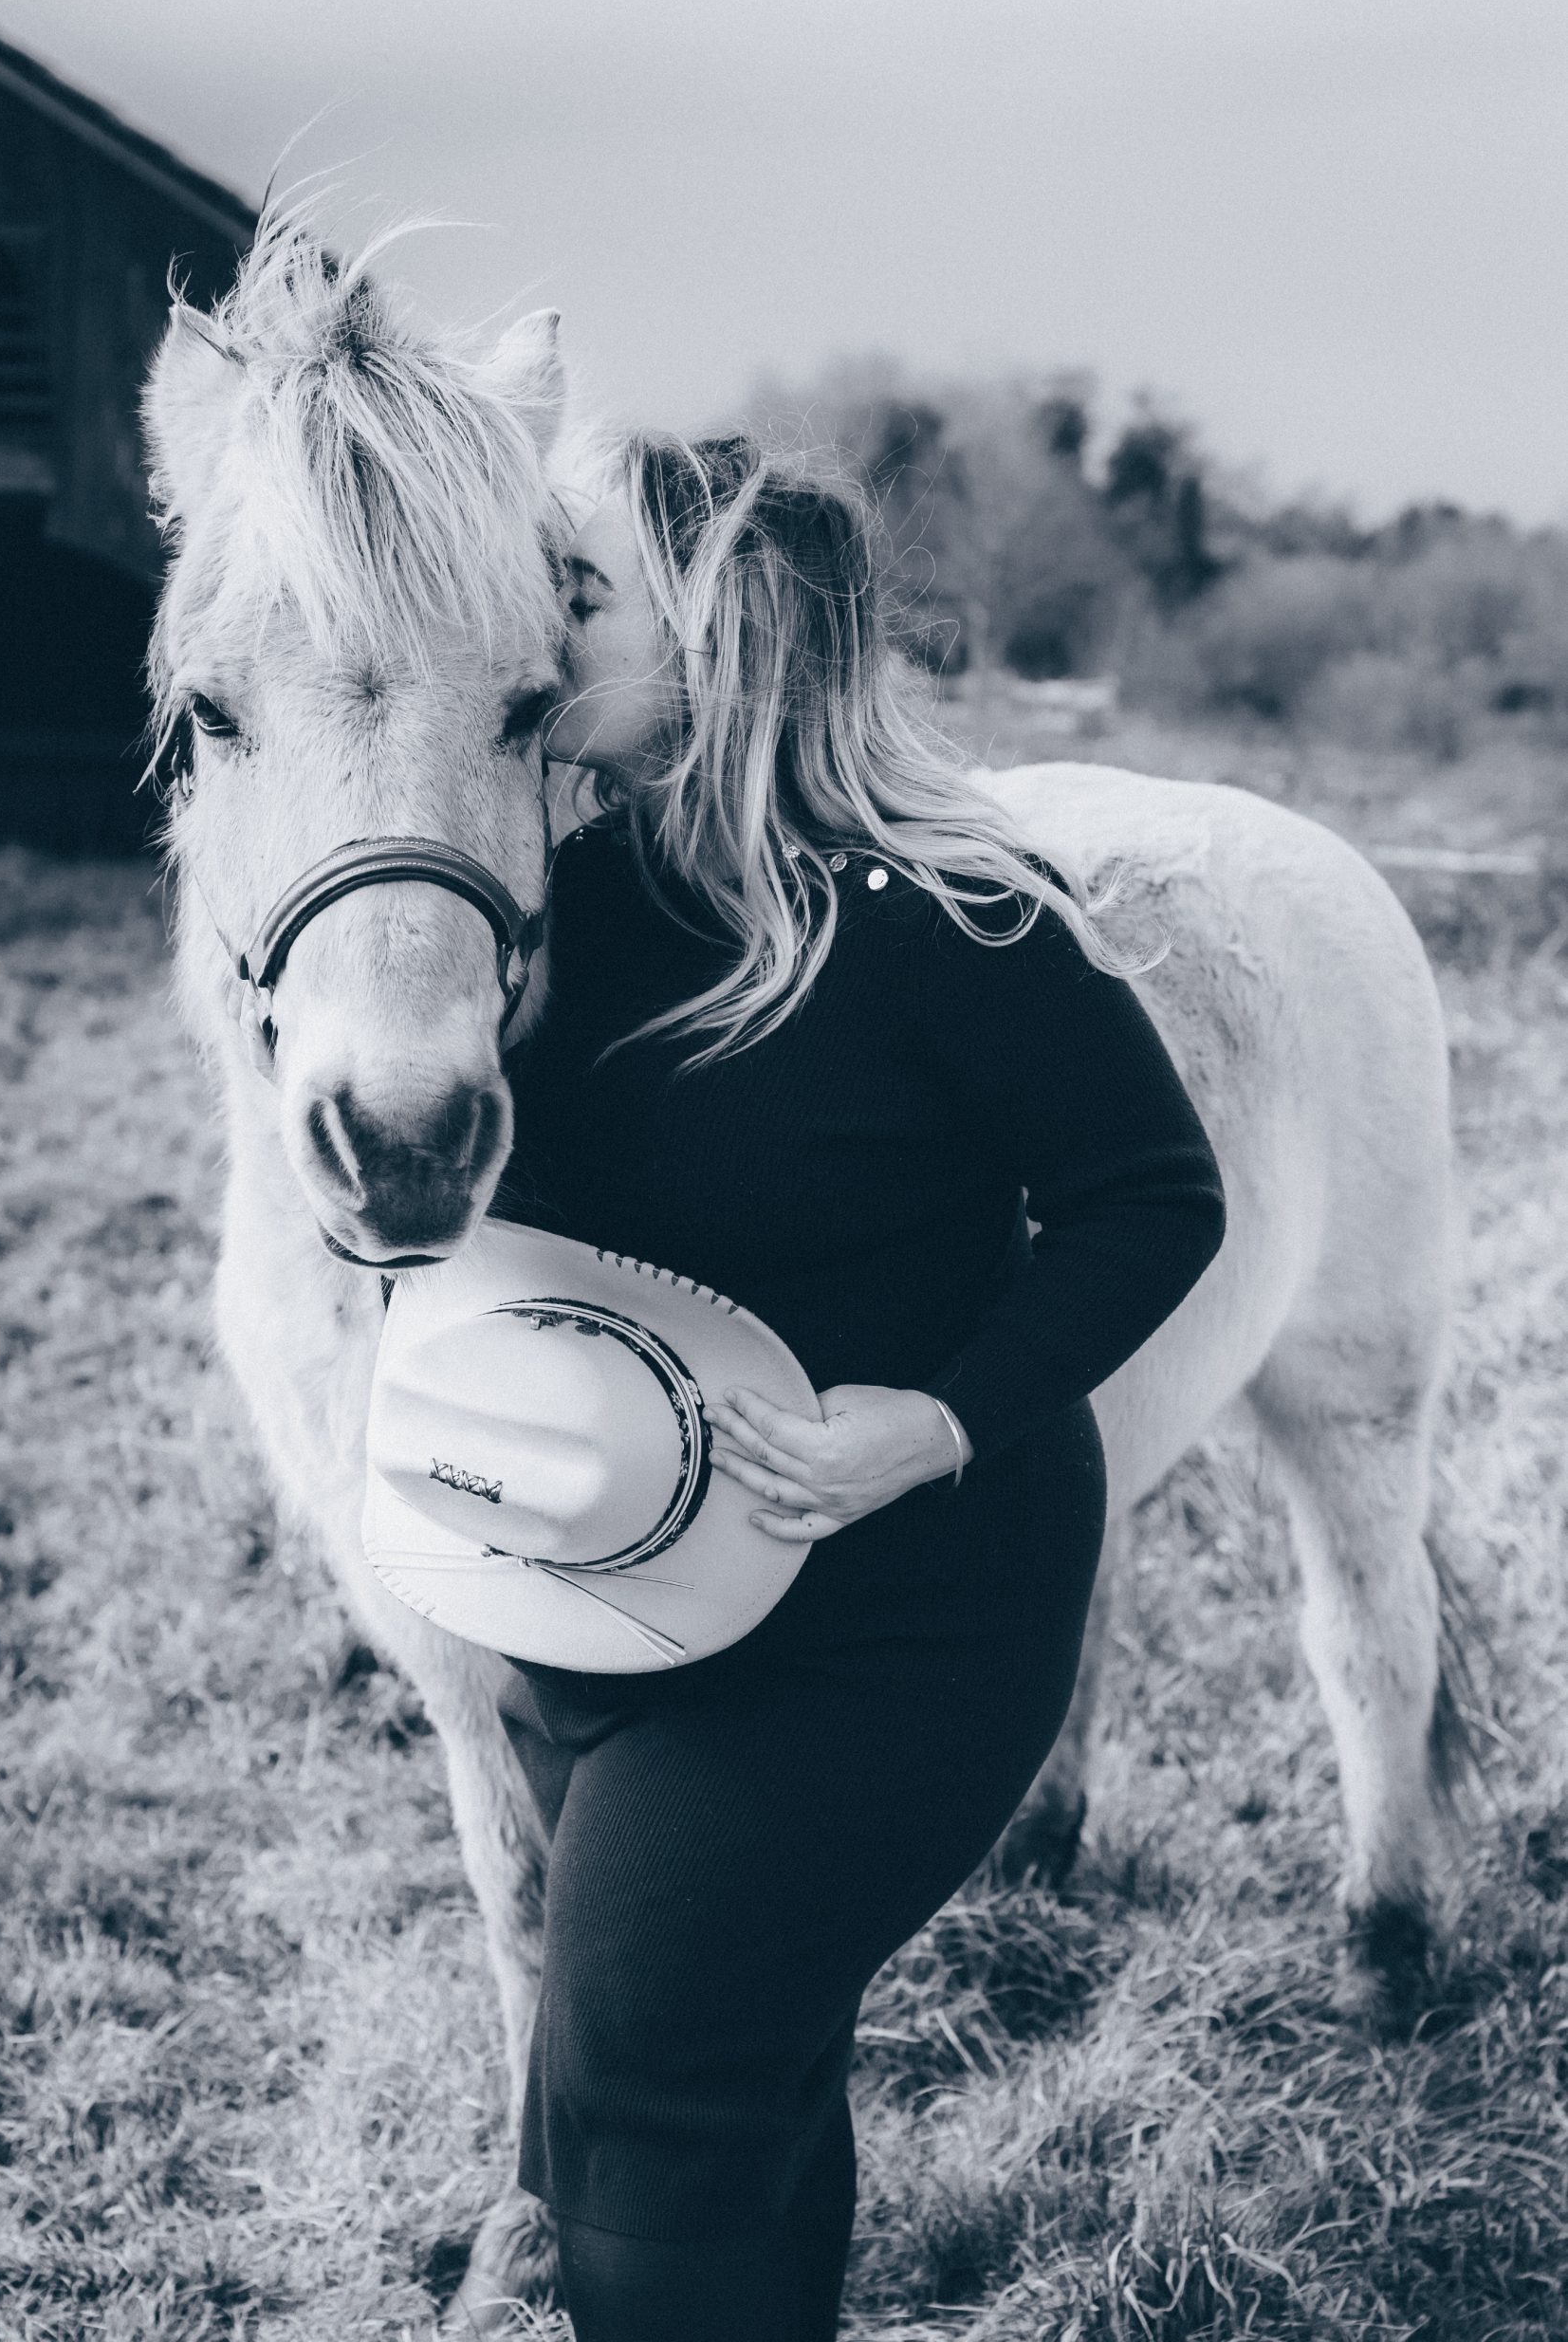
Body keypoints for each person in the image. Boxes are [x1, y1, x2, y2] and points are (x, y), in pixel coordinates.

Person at [489, 434, 1227, 2340]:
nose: (539, 621)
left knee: (645, 2068)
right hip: (613, 1605)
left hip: (892, 1614)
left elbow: (1152, 1198)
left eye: (582, 593)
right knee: (708, 2071)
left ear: (717, 626)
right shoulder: (556, 902)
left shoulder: (946, 913)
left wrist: (946, 1413)